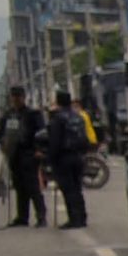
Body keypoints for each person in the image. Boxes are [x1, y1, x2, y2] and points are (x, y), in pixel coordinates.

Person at [0, 86, 45, 228]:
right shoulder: (8, 115)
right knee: (19, 187)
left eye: (19, 96)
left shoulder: (33, 114)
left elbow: (42, 134)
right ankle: (22, 217)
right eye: (13, 96)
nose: (16, 99)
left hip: (29, 153)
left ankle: (41, 216)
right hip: (13, 154)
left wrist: (40, 149)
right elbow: (0, 132)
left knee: (32, 186)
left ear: (24, 97)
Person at [43, 89, 92, 229]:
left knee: (68, 189)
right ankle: (82, 217)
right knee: (77, 188)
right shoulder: (78, 116)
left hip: (64, 158)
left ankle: (74, 219)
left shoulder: (58, 119)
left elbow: (55, 141)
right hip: (78, 156)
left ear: (58, 102)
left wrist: (50, 159)